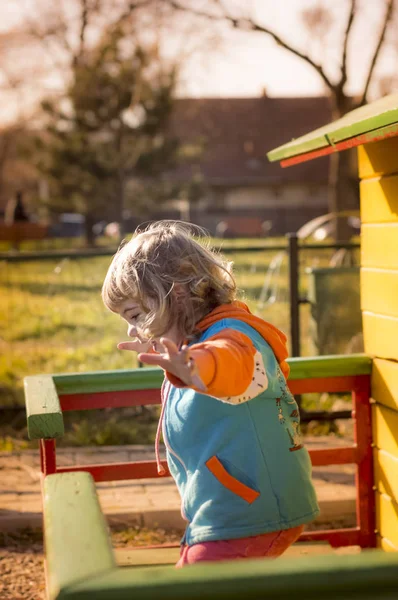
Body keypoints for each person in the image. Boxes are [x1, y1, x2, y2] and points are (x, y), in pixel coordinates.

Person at [102, 221, 319, 567]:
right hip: (227, 510)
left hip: (248, 513)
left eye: (136, 314)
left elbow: (230, 362)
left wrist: (194, 367)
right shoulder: (196, 342)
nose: (132, 328)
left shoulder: (231, 335)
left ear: (176, 294)